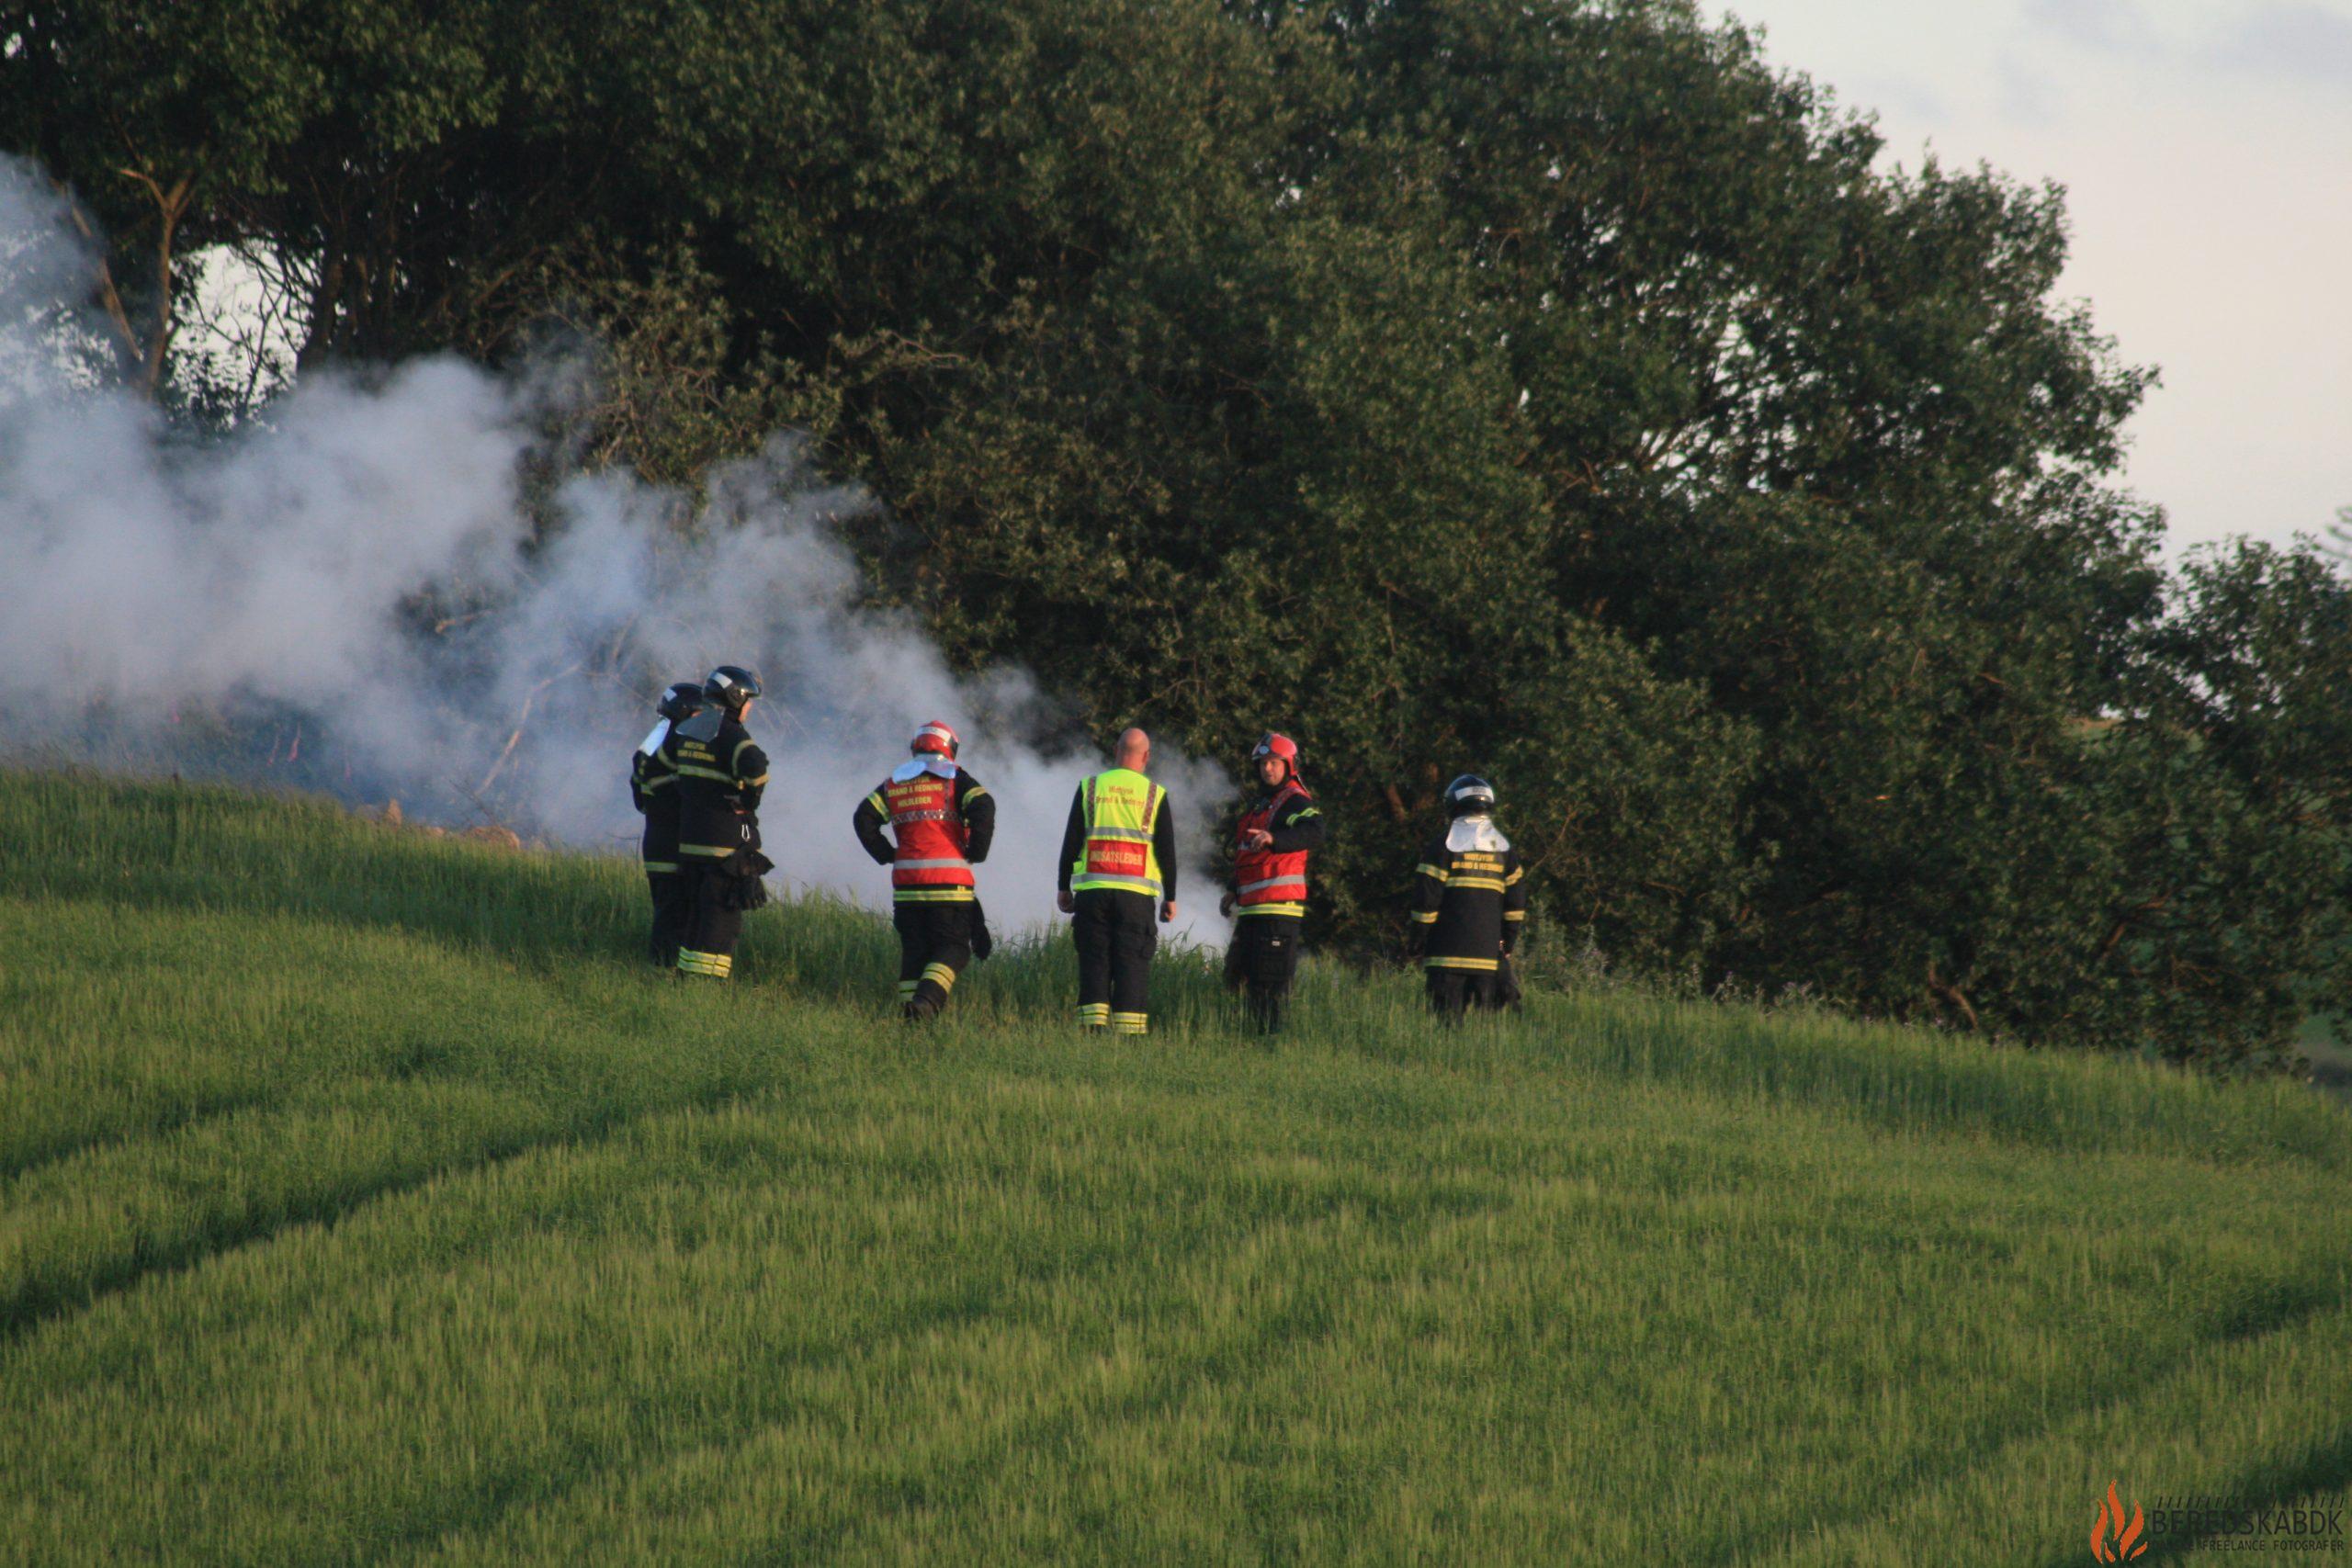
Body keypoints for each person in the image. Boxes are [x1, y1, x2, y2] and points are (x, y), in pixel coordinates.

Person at [853, 720, 998, 1020]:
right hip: (948, 885)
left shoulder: (894, 783)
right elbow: (984, 805)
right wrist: (976, 852)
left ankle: (912, 1023)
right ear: (950, 748)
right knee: (955, 949)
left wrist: (887, 854)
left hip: (906, 887)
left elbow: (863, 818)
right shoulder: (956, 779)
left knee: (915, 953)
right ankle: (926, 1002)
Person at [1057, 728, 1177, 1034]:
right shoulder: (1154, 793)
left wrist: (1062, 887)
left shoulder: (1091, 787)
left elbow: (1071, 841)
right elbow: (1166, 851)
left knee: (1094, 960)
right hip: (1136, 897)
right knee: (1132, 963)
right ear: (1146, 756)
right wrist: (1170, 896)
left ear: (1115, 750)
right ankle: (1129, 1037)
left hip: (1093, 893)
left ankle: (1092, 1032)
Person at [662, 665, 771, 979]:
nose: (750, 708)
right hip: (723, 848)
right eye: (748, 700)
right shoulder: (731, 734)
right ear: (736, 698)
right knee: (721, 922)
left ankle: (684, 979)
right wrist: (747, 801)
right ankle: (707, 984)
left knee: (696, 915)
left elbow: (668, 764)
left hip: (690, 843)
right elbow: (757, 768)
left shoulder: (687, 730)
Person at [1219, 732, 1325, 1032]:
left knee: (1270, 984)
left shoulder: (1294, 801)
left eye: (1275, 763)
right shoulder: (1263, 804)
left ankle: (1268, 1041)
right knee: (1237, 977)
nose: (1268, 769)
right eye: (1263, 763)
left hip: (1279, 910)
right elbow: (1247, 854)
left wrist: (1275, 838)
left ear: (1288, 765)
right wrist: (1232, 889)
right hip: (1253, 910)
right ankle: (1243, 1038)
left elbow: (1316, 830)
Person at [1408, 774, 1527, 1021]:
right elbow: (1515, 906)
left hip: (1445, 957)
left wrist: (1417, 942)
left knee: (1447, 1028)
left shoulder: (1442, 846)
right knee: (1483, 1032)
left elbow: (1426, 903)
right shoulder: (1505, 850)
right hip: (1488, 960)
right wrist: (1507, 944)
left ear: (1453, 804)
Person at [630, 680, 706, 966]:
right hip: (673, 847)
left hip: (657, 843)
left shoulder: (649, 746)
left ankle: (663, 969)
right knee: (674, 917)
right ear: (685, 715)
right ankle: (662, 971)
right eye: (699, 716)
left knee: (668, 912)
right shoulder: (674, 748)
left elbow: (639, 799)